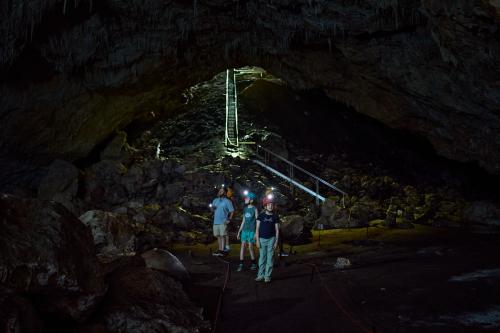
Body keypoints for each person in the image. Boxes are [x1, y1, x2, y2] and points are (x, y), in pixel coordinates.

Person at [255, 194, 280, 283]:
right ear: (265, 206)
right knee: (262, 258)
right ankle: (260, 275)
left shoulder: (275, 217)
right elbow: (257, 229)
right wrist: (257, 240)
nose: (270, 206)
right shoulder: (261, 216)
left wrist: (276, 242)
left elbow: (277, 230)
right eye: (268, 205)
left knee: (270, 258)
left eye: (271, 205)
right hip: (262, 239)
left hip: (271, 239)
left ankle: (267, 276)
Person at [236, 192, 258, 271]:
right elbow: (243, 221)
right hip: (244, 231)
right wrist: (239, 232)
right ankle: (241, 264)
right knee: (242, 246)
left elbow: (257, 221)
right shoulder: (245, 209)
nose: (245, 199)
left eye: (247, 198)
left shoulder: (255, 209)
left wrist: (256, 233)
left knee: (250, 247)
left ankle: (253, 264)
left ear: (251, 200)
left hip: (251, 231)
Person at [210, 187, 234, 256]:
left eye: (221, 191)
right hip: (216, 221)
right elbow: (212, 210)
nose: (220, 192)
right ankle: (220, 250)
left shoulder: (227, 201)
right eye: (219, 191)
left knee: (222, 236)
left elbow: (232, 211)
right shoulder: (215, 200)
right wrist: (212, 209)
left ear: (225, 193)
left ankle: (222, 250)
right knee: (218, 236)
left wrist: (229, 219)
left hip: (223, 221)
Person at [224, 187, 236, 253]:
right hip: (226, 216)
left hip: (227, 217)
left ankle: (227, 247)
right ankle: (225, 246)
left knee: (226, 232)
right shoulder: (229, 199)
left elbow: (232, 210)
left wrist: (230, 218)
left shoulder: (230, 200)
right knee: (225, 232)